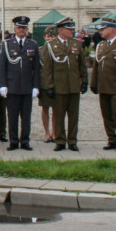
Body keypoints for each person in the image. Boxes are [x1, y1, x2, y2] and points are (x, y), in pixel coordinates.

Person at [40, 18, 87, 151]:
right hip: (59, 87)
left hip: (73, 86)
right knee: (59, 115)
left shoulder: (77, 44)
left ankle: (72, 141)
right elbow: (47, 69)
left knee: (74, 116)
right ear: (61, 30)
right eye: (69, 29)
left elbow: (82, 65)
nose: (72, 31)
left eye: (72, 28)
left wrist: (84, 81)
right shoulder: (51, 45)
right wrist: (48, 86)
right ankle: (60, 141)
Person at [0, 16, 41, 151]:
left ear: (27, 29)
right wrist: (2, 84)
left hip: (27, 86)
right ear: (14, 29)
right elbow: (2, 66)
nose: (21, 30)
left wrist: (36, 86)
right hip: (12, 86)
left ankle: (25, 141)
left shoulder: (33, 44)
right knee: (12, 116)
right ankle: (13, 141)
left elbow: (36, 68)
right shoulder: (6, 44)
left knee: (26, 117)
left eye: (23, 28)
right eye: (18, 27)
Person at [90, 19, 116, 150]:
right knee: (106, 115)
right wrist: (94, 83)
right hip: (103, 86)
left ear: (111, 29)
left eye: (103, 29)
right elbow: (96, 66)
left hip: (115, 87)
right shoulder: (101, 46)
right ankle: (111, 139)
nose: (100, 32)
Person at [38, 26, 58, 143]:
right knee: (45, 108)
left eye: (52, 36)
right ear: (44, 37)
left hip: (56, 84)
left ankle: (54, 132)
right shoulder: (40, 50)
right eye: (47, 36)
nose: (49, 38)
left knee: (56, 109)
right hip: (43, 84)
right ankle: (46, 133)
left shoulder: (58, 50)